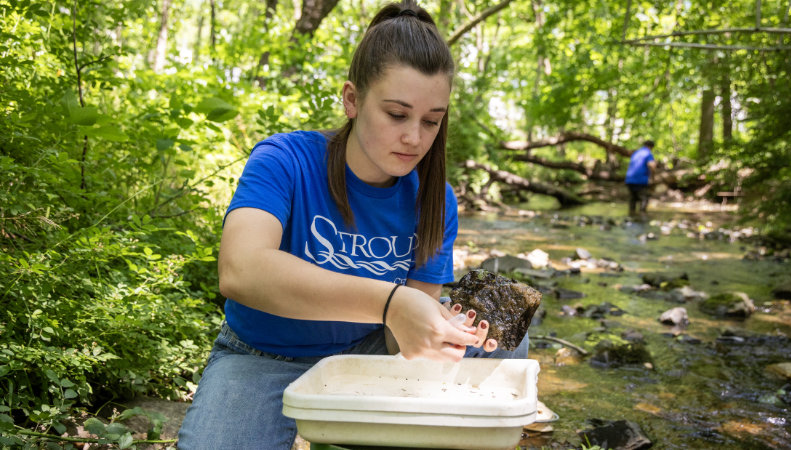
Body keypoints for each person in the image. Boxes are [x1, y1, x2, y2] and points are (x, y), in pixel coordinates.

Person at [177, 2, 528, 448]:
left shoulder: (435, 199)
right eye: (397, 114)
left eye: (431, 121)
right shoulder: (285, 161)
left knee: (507, 331)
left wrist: (439, 333)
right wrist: (392, 303)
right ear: (352, 99)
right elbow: (241, 270)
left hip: (366, 354)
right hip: (261, 354)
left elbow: (401, 344)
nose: (414, 138)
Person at [624, 140, 657, 216]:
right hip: (641, 180)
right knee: (644, 198)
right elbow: (652, 166)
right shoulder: (648, 153)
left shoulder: (636, 153)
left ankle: (631, 216)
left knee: (633, 199)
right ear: (651, 147)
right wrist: (653, 177)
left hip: (629, 179)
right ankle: (642, 216)